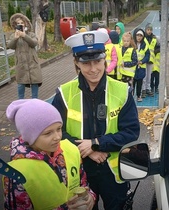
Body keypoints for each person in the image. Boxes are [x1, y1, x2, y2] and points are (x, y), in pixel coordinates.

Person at [51, 30, 140, 210]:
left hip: (113, 174)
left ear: (104, 59)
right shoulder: (64, 93)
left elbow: (131, 131)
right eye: (86, 63)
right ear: (76, 62)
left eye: (97, 61)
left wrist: (97, 143)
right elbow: (55, 133)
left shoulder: (122, 91)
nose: (93, 69)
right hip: (78, 172)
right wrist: (88, 151)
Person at [3, 99, 96, 209]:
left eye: (59, 129)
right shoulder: (15, 174)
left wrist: (90, 196)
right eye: (48, 133)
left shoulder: (71, 149)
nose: (57, 137)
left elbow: (83, 183)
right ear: (29, 136)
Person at [8, 13, 42, 99]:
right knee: (20, 85)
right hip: (21, 65)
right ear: (15, 25)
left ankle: (34, 103)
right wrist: (15, 38)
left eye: (22, 23)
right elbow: (10, 46)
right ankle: (21, 104)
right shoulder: (13, 35)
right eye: (18, 23)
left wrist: (24, 36)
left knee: (35, 83)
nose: (20, 25)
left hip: (32, 64)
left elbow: (34, 43)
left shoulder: (31, 34)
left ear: (25, 23)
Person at [132, 28, 150, 102]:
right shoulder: (132, 44)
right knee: (132, 83)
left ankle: (138, 95)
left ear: (143, 37)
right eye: (137, 35)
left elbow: (147, 55)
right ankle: (132, 96)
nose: (139, 37)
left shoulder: (145, 45)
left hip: (141, 67)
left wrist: (142, 61)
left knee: (139, 82)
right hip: (133, 67)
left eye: (140, 36)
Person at [142, 23, 158, 98]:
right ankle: (143, 89)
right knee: (144, 75)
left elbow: (158, 47)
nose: (149, 31)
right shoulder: (143, 38)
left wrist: (155, 51)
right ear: (145, 30)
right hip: (144, 59)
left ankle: (148, 88)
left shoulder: (154, 38)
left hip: (151, 59)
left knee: (149, 75)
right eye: (148, 30)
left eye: (150, 30)